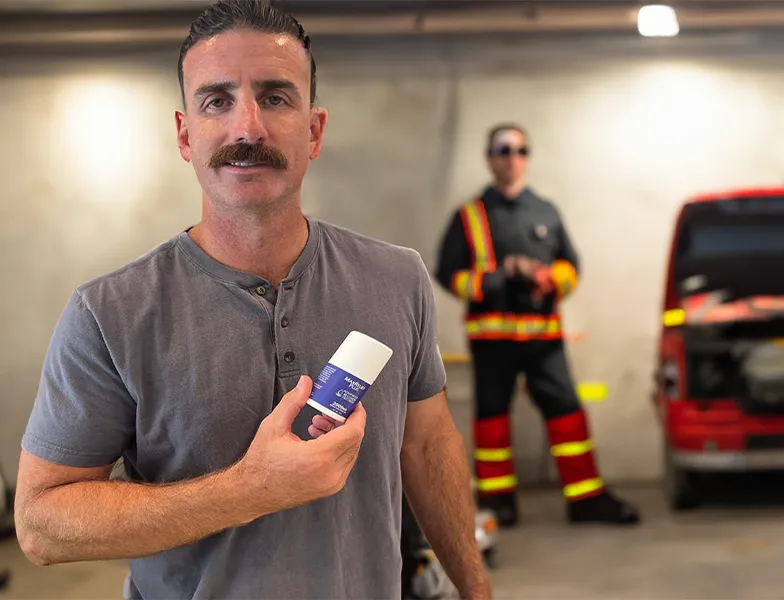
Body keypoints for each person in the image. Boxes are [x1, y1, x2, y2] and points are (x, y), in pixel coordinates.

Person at [13, 2, 491, 599]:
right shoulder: (108, 314)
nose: (248, 128)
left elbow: (426, 443)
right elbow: (41, 526)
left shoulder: (399, 279)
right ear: (186, 135)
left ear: (313, 131)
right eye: (217, 100)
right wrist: (250, 489)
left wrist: (476, 589)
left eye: (275, 97)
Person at [433, 124, 640, 528]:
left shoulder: (545, 210)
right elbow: (448, 273)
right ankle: (498, 504)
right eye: (503, 150)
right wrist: (499, 277)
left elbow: (571, 265)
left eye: (520, 150)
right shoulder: (470, 216)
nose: (512, 158)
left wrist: (552, 279)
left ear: (527, 157)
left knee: (567, 412)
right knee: (492, 418)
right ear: (489, 157)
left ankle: (586, 500)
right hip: (493, 339)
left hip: (544, 338)